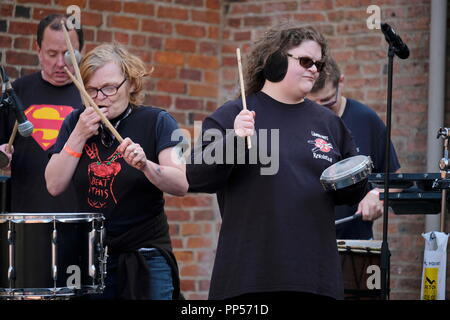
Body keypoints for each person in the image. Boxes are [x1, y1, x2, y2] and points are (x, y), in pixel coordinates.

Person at [186, 24, 368, 300]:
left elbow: (350, 190)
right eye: (306, 61)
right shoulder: (234, 114)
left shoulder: (329, 122)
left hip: (315, 278)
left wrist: (360, 184)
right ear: (275, 60)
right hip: (250, 278)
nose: (314, 70)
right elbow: (196, 177)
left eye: (319, 64)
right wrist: (235, 139)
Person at [45, 44, 188, 299]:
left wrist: (146, 165)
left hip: (145, 254)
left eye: (109, 88)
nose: (100, 97)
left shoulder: (158, 121)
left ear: (131, 83)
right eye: (91, 90)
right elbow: (54, 184)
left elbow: (180, 184)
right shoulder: (74, 122)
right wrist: (78, 135)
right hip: (90, 255)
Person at [307, 56, 401, 240]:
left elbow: (395, 177)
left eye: (327, 102)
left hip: (354, 242)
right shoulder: (300, 120)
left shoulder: (366, 120)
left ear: (341, 82)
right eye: (312, 103)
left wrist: (376, 194)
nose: (320, 112)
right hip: (307, 240)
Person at [0, 14, 84, 213]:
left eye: (68, 53)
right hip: (26, 218)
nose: (61, 63)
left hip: (80, 219)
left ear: (82, 51)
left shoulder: (92, 97)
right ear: (38, 50)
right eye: (52, 54)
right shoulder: (16, 93)